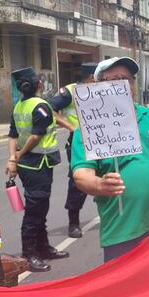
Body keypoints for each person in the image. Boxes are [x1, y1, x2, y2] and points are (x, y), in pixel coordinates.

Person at [71, 57, 149, 262]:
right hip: (122, 232)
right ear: (97, 85)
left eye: (126, 79)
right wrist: (99, 184)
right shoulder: (87, 129)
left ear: (133, 84)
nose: (121, 85)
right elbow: (81, 174)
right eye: (113, 79)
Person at [4, 67, 67, 272]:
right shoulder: (41, 106)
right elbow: (36, 136)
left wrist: (13, 159)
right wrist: (18, 156)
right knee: (35, 210)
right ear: (39, 84)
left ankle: (43, 247)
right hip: (37, 163)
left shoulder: (18, 106)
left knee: (39, 208)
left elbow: (12, 135)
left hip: (28, 165)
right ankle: (29, 254)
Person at [49, 62, 98, 238]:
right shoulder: (70, 91)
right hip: (79, 143)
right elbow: (49, 110)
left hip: (103, 140)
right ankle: (74, 223)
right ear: (92, 77)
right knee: (78, 182)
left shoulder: (102, 90)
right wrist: (71, 127)